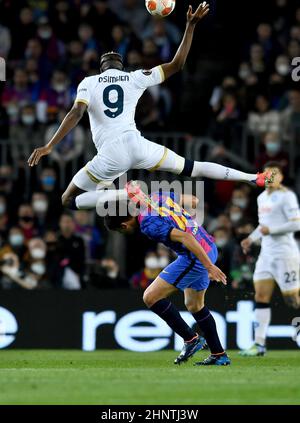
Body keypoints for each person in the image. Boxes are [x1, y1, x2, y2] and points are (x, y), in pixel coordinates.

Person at [28, 2, 272, 212]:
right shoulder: (135, 76)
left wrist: (50, 145)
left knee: (69, 199)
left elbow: (76, 113)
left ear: (102, 67)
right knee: (192, 168)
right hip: (138, 144)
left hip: (111, 153)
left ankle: (128, 195)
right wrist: (190, 26)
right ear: (120, 66)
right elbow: (177, 65)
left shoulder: (89, 82)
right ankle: (252, 177)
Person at [104, 181, 231, 366]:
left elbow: (186, 237)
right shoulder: (158, 196)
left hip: (196, 256)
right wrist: (182, 218)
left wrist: (208, 266)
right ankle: (219, 354)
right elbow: (194, 201)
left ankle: (191, 339)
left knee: (150, 297)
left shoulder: (148, 224)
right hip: (208, 245)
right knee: (194, 305)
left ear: (124, 225)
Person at [239, 162, 300, 356]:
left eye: (276, 173)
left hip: (285, 255)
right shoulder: (261, 198)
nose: (272, 176)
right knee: (261, 297)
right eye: (268, 173)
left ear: (281, 177)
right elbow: (263, 225)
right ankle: (259, 345)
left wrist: (271, 230)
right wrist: (251, 238)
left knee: (292, 300)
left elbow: (296, 224)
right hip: (266, 255)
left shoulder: (287, 196)